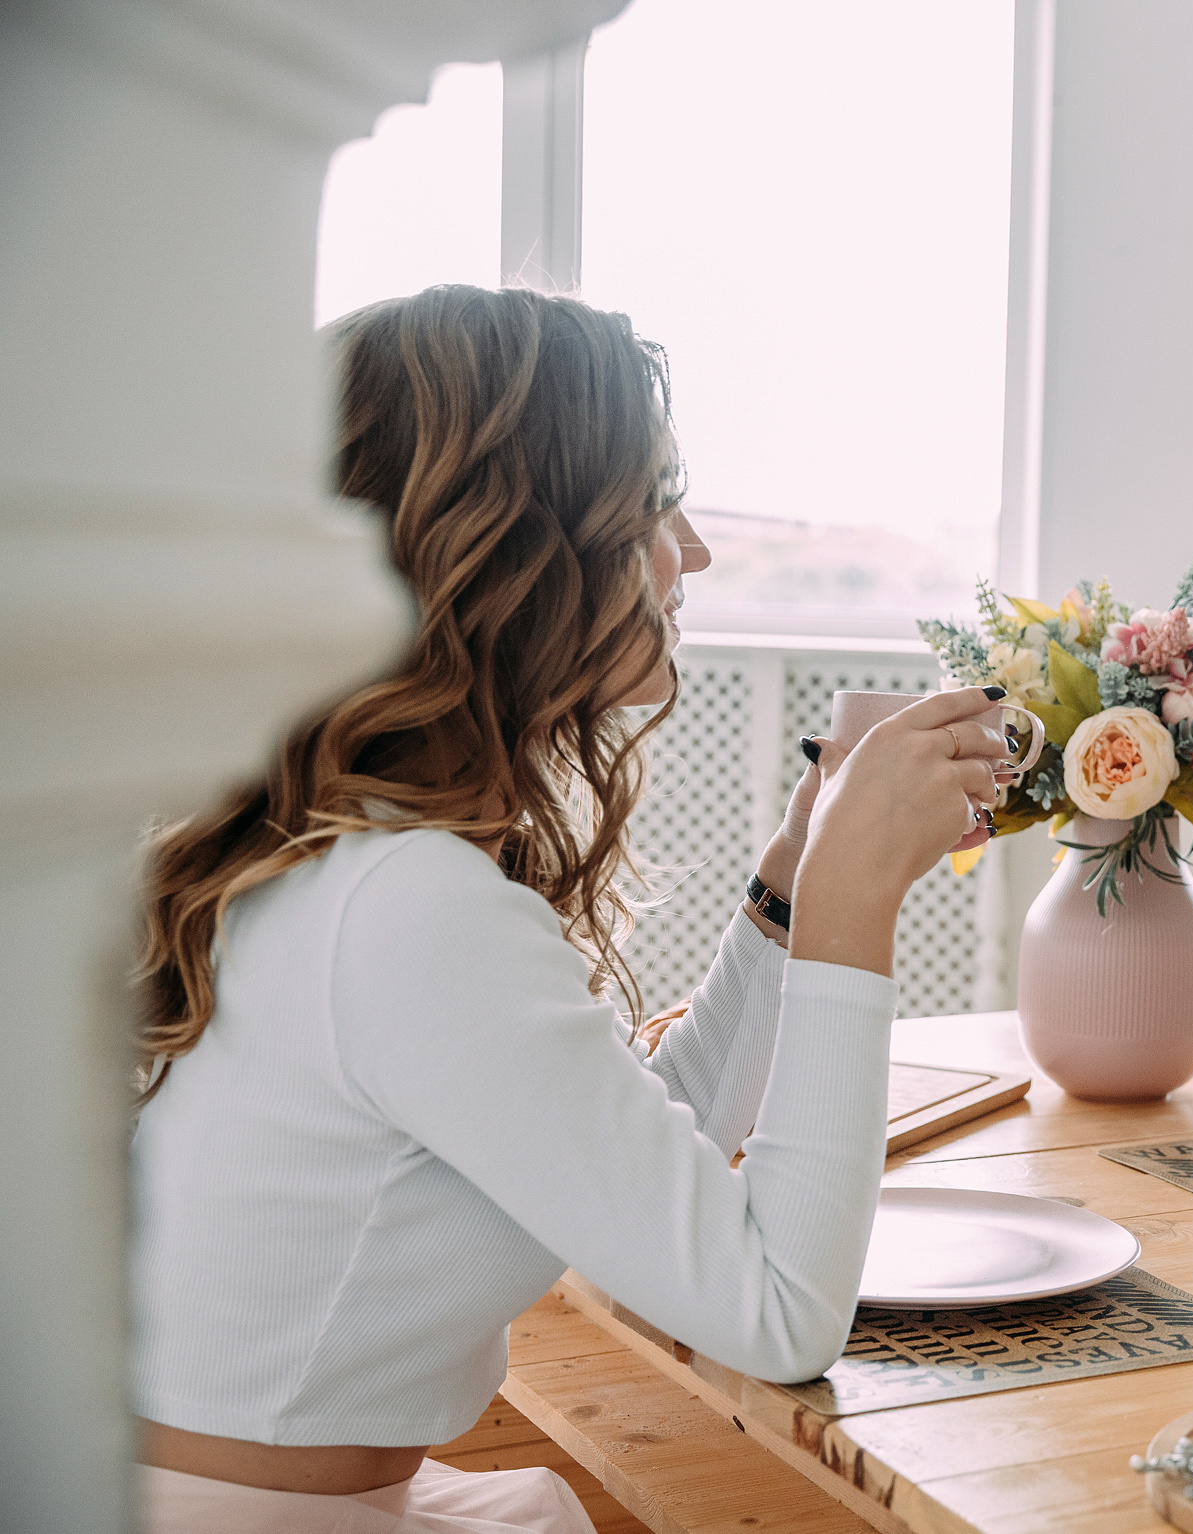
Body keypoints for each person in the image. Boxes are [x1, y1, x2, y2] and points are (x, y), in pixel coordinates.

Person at [131, 285, 1015, 1532]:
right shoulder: (408, 905)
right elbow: (774, 1312)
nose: (692, 551)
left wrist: (791, 879)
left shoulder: (332, 848)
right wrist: (853, 900)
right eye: (655, 500)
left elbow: (663, 1170)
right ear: (515, 551)